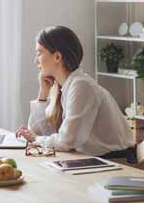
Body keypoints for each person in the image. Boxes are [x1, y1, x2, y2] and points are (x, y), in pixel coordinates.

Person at [16, 25, 135, 161]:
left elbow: (66, 141)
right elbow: (40, 132)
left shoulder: (81, 86)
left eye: (39, 53)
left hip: (115, 162)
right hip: (94, 159)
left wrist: (36, 139)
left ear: (57, 57)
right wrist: (43, 94)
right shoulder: (64, 86)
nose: (36, 60)